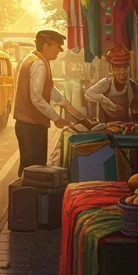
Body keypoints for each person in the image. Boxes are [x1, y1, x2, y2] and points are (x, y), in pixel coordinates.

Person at [13, 29, 87, 175]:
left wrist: (66, 105)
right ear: (46, 45)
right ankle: (26, 197)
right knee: (34, 170)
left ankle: (25, 195)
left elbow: (50, 89)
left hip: (27, 125)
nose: (58, 51)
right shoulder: (39, 64)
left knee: (29, 168)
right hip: (32, 126)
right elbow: (36, 97)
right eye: (56, 47)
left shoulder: (34, 59)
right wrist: (56, 118)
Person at [84, 45, 138, 122]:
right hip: (106, 122)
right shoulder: (106, 83)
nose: (122, 73)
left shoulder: (132, 85)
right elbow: (88, 93)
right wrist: (107, 102)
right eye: (118, 69)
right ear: (112, 69)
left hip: (125, 123)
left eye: (125, 68)